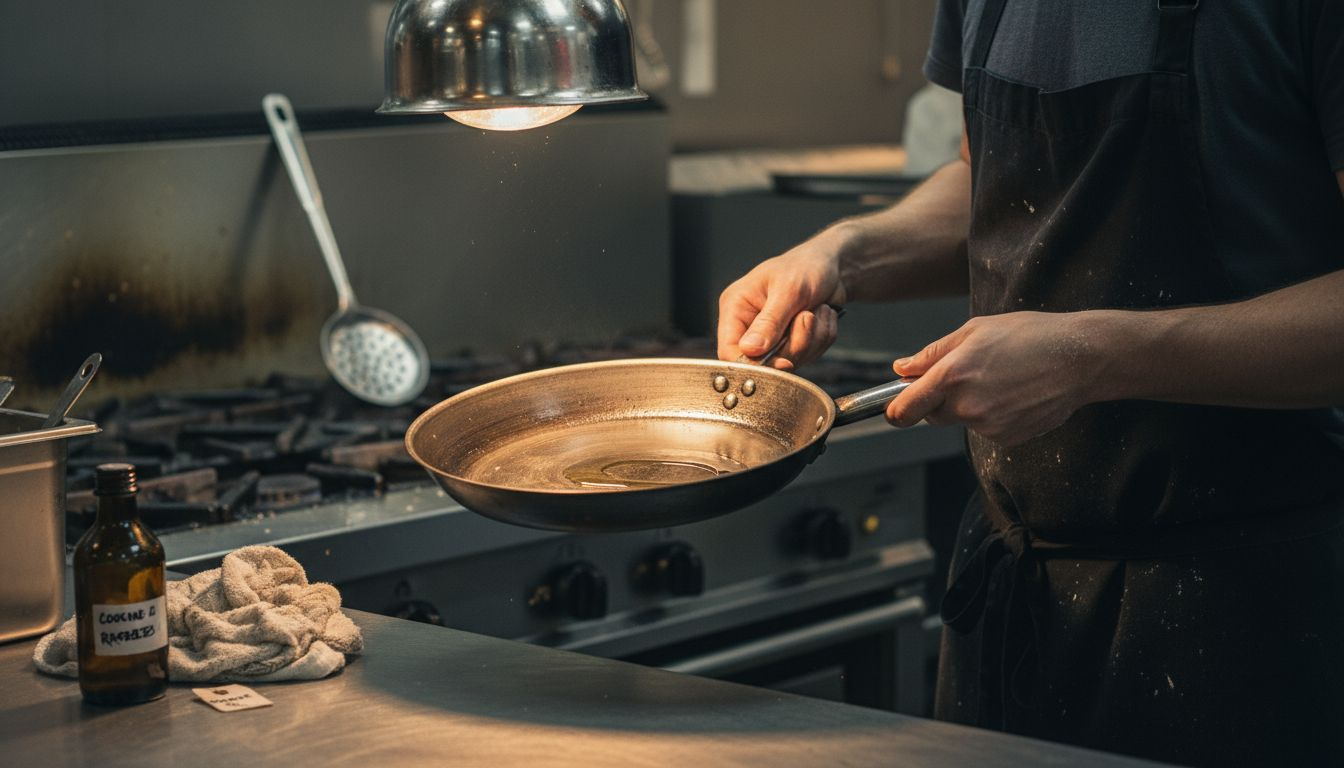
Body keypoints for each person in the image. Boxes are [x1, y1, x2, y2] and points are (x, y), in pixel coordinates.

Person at [716, 1, 1344, 765]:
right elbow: (985, 182)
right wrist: (845, 256)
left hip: (1253, 621)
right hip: (1014, 597)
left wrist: (1092, 357)